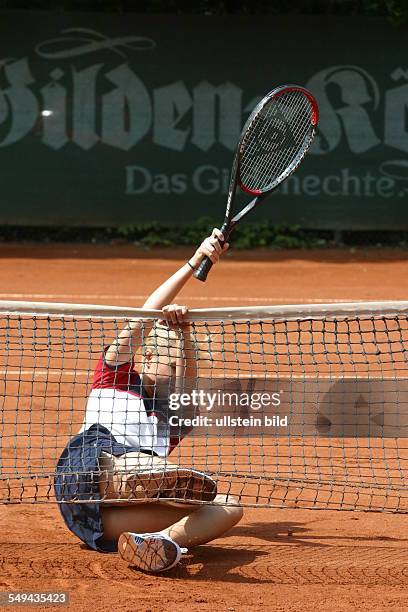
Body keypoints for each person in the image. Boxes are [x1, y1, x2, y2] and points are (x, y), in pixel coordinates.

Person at [54, 229, 243, 572]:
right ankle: (153, 478)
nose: (178, 373)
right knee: (160, 473)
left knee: (227, 505)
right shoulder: (115, 374)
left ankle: (159, 543)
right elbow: (145, 314)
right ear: (150, 353)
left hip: (101, 519)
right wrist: (196, 261)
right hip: (88, 473)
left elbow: (188, 388)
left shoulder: (174, 419)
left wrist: (185, 338)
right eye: (173, 363)